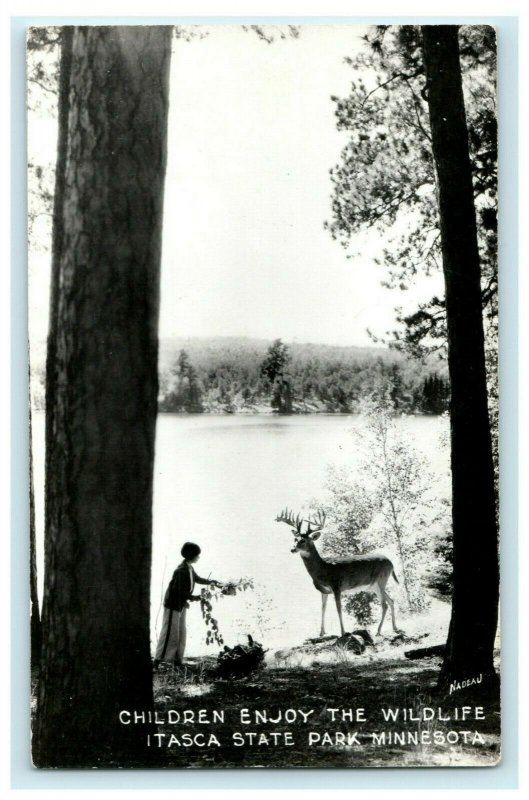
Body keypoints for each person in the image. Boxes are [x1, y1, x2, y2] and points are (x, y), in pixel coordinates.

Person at [153, 542, 221, 669]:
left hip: (181, 604)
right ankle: (157, 660)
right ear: (191, 555)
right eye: (197, 555)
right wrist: (194, 598)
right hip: (173, 604)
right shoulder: (181, 570)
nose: (198, 557)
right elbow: (177, 590)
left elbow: (198, 579)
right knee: (169, 633)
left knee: (180, 632)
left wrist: (213, 582)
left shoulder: (189, 567)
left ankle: (176, 660)